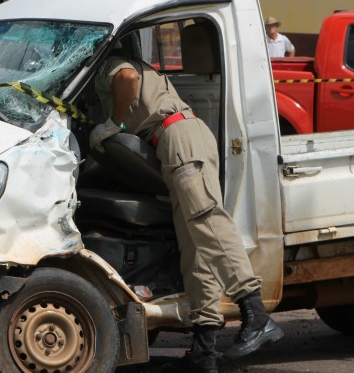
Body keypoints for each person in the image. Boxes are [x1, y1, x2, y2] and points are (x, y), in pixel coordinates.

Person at [90, 47, 283, 372]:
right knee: (195, 251)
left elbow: (127, 78)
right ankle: (204, 351)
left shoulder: (108, 60)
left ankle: (256, 314)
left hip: (178, 137)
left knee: (207, 222)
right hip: (175, 140)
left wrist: (115, 121)